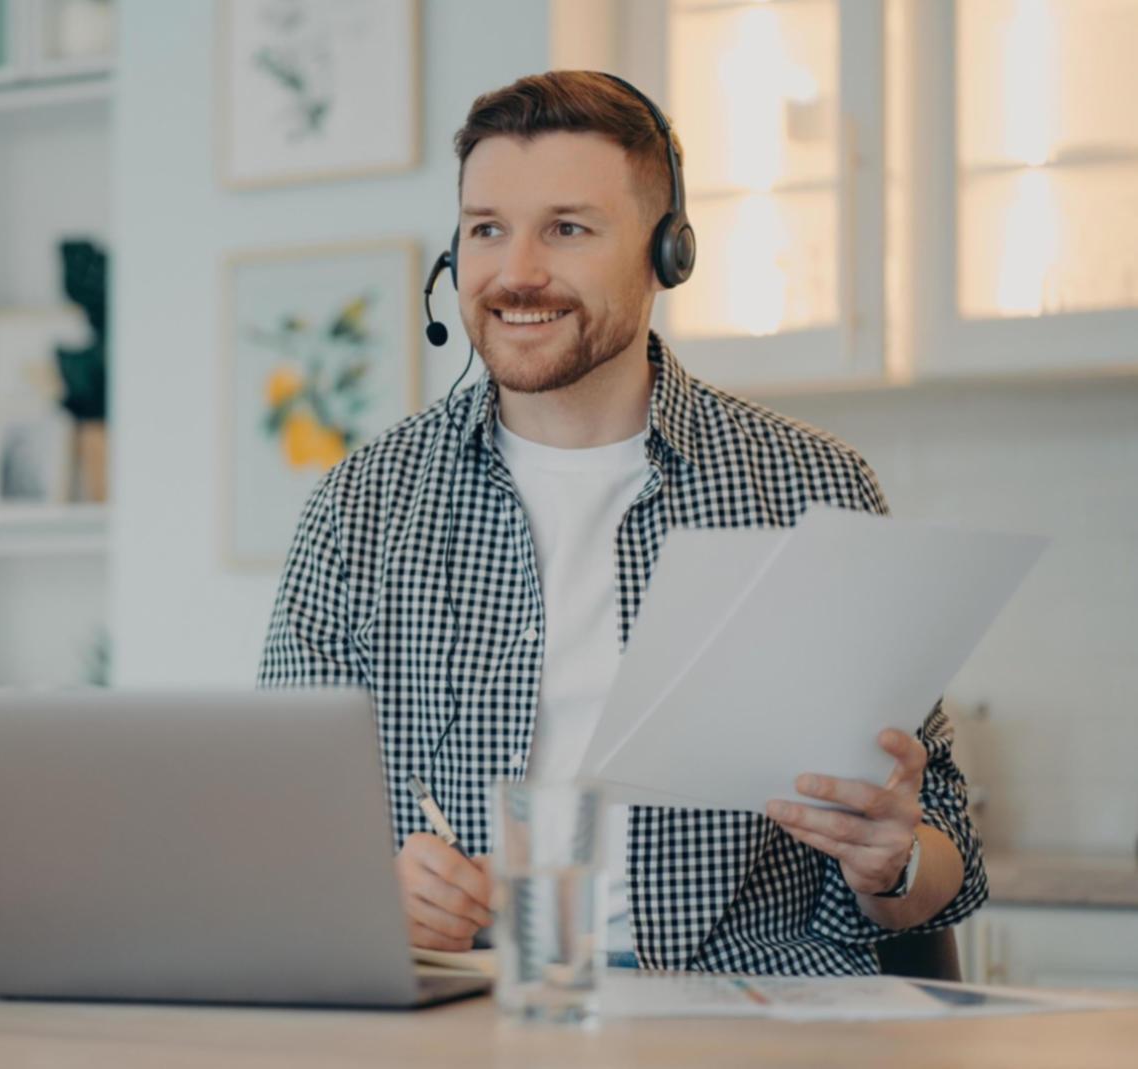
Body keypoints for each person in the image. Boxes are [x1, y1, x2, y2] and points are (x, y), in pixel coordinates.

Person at [258, 70, 986, 975]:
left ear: (666, 253)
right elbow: (280, 833)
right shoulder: (359, 507)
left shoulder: (814, 486)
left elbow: (941, 835)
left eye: (567, 228)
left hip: (750, 1024)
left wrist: (896, 859)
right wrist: (370, 892)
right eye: (487, 230)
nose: (517, 273)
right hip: (477, 1021)